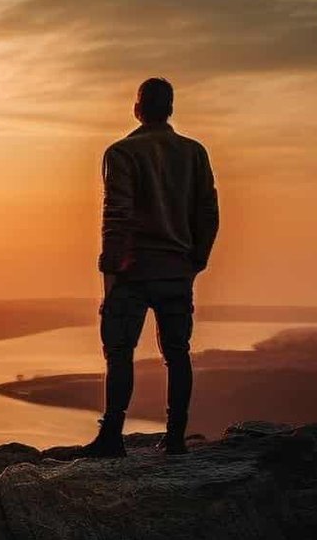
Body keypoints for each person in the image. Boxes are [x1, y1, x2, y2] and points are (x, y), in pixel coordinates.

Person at [77, 77, 219, 458]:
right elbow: (208, 212)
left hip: (133, 272)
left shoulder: (122, 153)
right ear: (170, 109)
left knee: (119, 351)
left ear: (137, 109)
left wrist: (111, 275)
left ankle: (112, 436)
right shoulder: (194, 153)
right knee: (178, 353)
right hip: (176, 271)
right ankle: (175, 439)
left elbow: (116, 218)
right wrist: (195, 261)